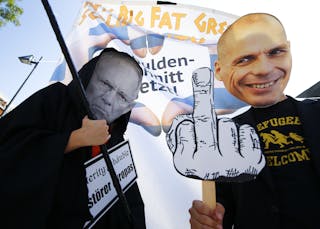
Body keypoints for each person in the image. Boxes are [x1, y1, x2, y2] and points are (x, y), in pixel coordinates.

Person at [189, 13, 320, 229]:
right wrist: (206, 220)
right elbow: (221, 210)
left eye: (276, 52)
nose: (264, 69)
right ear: (220, 71)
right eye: (245, 59)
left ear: (289, 51)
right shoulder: (219, 140)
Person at [0, 48, 146, 228]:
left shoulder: (118, 148)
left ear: (128, 108)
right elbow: (7, 147)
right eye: (106, 84)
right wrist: (73, 139)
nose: (109, 99)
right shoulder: (55, 99)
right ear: (87, 76)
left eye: (122, 96)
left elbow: (131, 209)